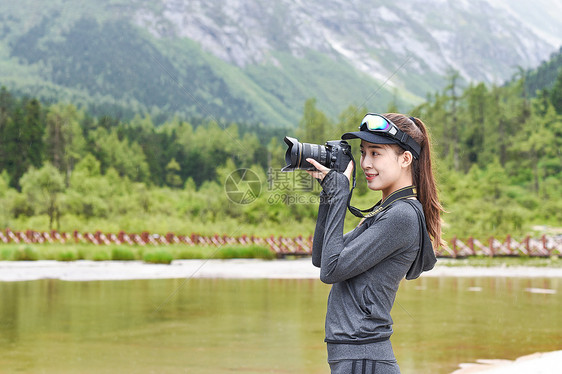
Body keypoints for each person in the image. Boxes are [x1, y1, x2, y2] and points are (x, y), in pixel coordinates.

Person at [306, 113, 443, 374]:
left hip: (363, 359)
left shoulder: (401, 216)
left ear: (405, 159)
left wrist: (339, 196)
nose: (366, 163)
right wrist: (329, 194)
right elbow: (322, 258)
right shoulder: (385, 211)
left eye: (376, 153)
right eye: (363, 153)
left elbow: (330, 272)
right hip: (356, 358)